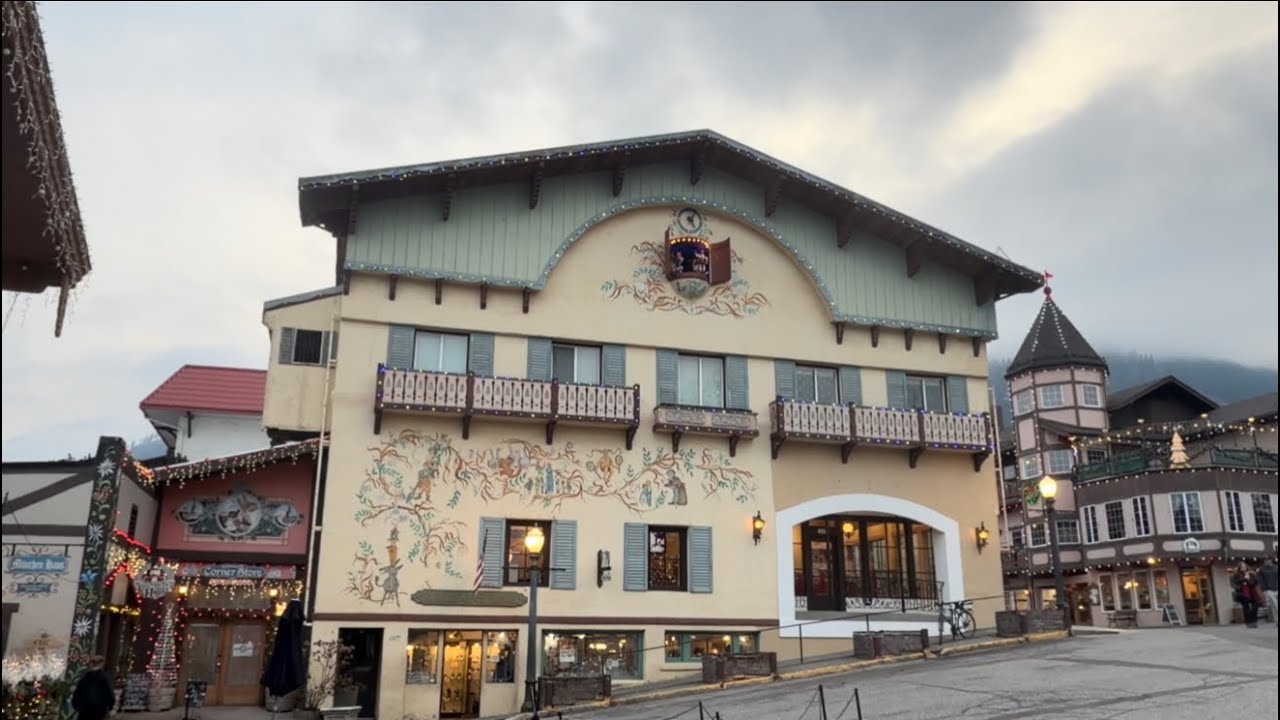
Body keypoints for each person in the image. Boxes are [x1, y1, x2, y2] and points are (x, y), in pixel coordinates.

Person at [70, 655, 116, 720]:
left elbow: (77, 694)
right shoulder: (105, 678)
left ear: (91, 664)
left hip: (84, 711)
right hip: (100, 711)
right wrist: (110, 707)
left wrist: (78, 707)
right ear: (101, 664)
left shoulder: (85, 678)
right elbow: (110, 694)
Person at [1231, 563, 1261, 628]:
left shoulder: (1251, 574)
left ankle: (1254, 621)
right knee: (1246, 609)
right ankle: (1249, 622)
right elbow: (1235, 585)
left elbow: (1255, 583)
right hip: (1243, 594)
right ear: (1239, 568)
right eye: (1242, 567)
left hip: (1253, 593)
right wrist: (1243, 580)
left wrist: (1248, 580)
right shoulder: (1236, 575)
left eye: (1244, 566)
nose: (1243, 568)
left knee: (1255, 608)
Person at [1260, 558, 1279, 624]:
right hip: (1269, 590)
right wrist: (1263, 590)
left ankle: (1276, 621)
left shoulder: (1276, 568)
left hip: (1277, 588)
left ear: (1271, 561)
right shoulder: (1261, 569)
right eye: (1265, 561)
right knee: (1275, 604)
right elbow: (1260, 580)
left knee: (1274, 606)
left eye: (1268, 560)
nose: (1266, 562)